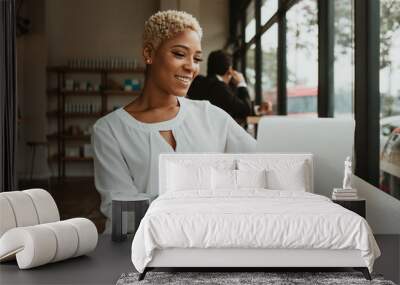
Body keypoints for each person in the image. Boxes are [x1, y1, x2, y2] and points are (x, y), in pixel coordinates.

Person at [92, 10, 256, 231]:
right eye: (180, 54)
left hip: (206, 246)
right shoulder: (109, 130)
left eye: (197, 58)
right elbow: (123, 214)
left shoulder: (211, 115)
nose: (191, 66)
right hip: (138, 253)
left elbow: (263, 164)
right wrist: (205, 203)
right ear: (149, 53)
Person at [187, 50, 252, 122]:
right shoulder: (219, 88)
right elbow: (246, 110)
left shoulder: (197, 81)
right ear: (230, 70)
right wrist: (241, 83)